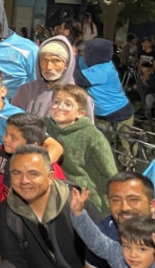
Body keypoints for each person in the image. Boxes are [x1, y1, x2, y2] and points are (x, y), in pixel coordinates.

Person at [46, 84, 117, 213]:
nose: (59, 107)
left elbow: (109, 172)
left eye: (68, 104)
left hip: (88, 200)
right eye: (56, 102)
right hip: (56, 193)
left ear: (80, 113)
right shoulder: (45, 128)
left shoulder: (92, 135)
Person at [0, 113, 68, 216]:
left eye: (13, 137)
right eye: (6, 133)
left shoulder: (48, 169)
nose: (5, 139)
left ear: (32, 145)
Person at [13, 35, 94, 120]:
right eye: (44, 60)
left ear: (67, 64)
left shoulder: (80, 98)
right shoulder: (25, 91)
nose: (48, 67)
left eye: (56, 61)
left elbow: (87, 131)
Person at [75, 38, 135, 133]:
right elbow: (78, 62)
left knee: (126, 146)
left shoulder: (103, 69)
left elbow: (78, 77)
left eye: (87, 51)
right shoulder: (95, 62)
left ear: (95, 54)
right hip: (103, 115)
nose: (84, 53)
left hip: (119, 113)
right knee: (104, 144)